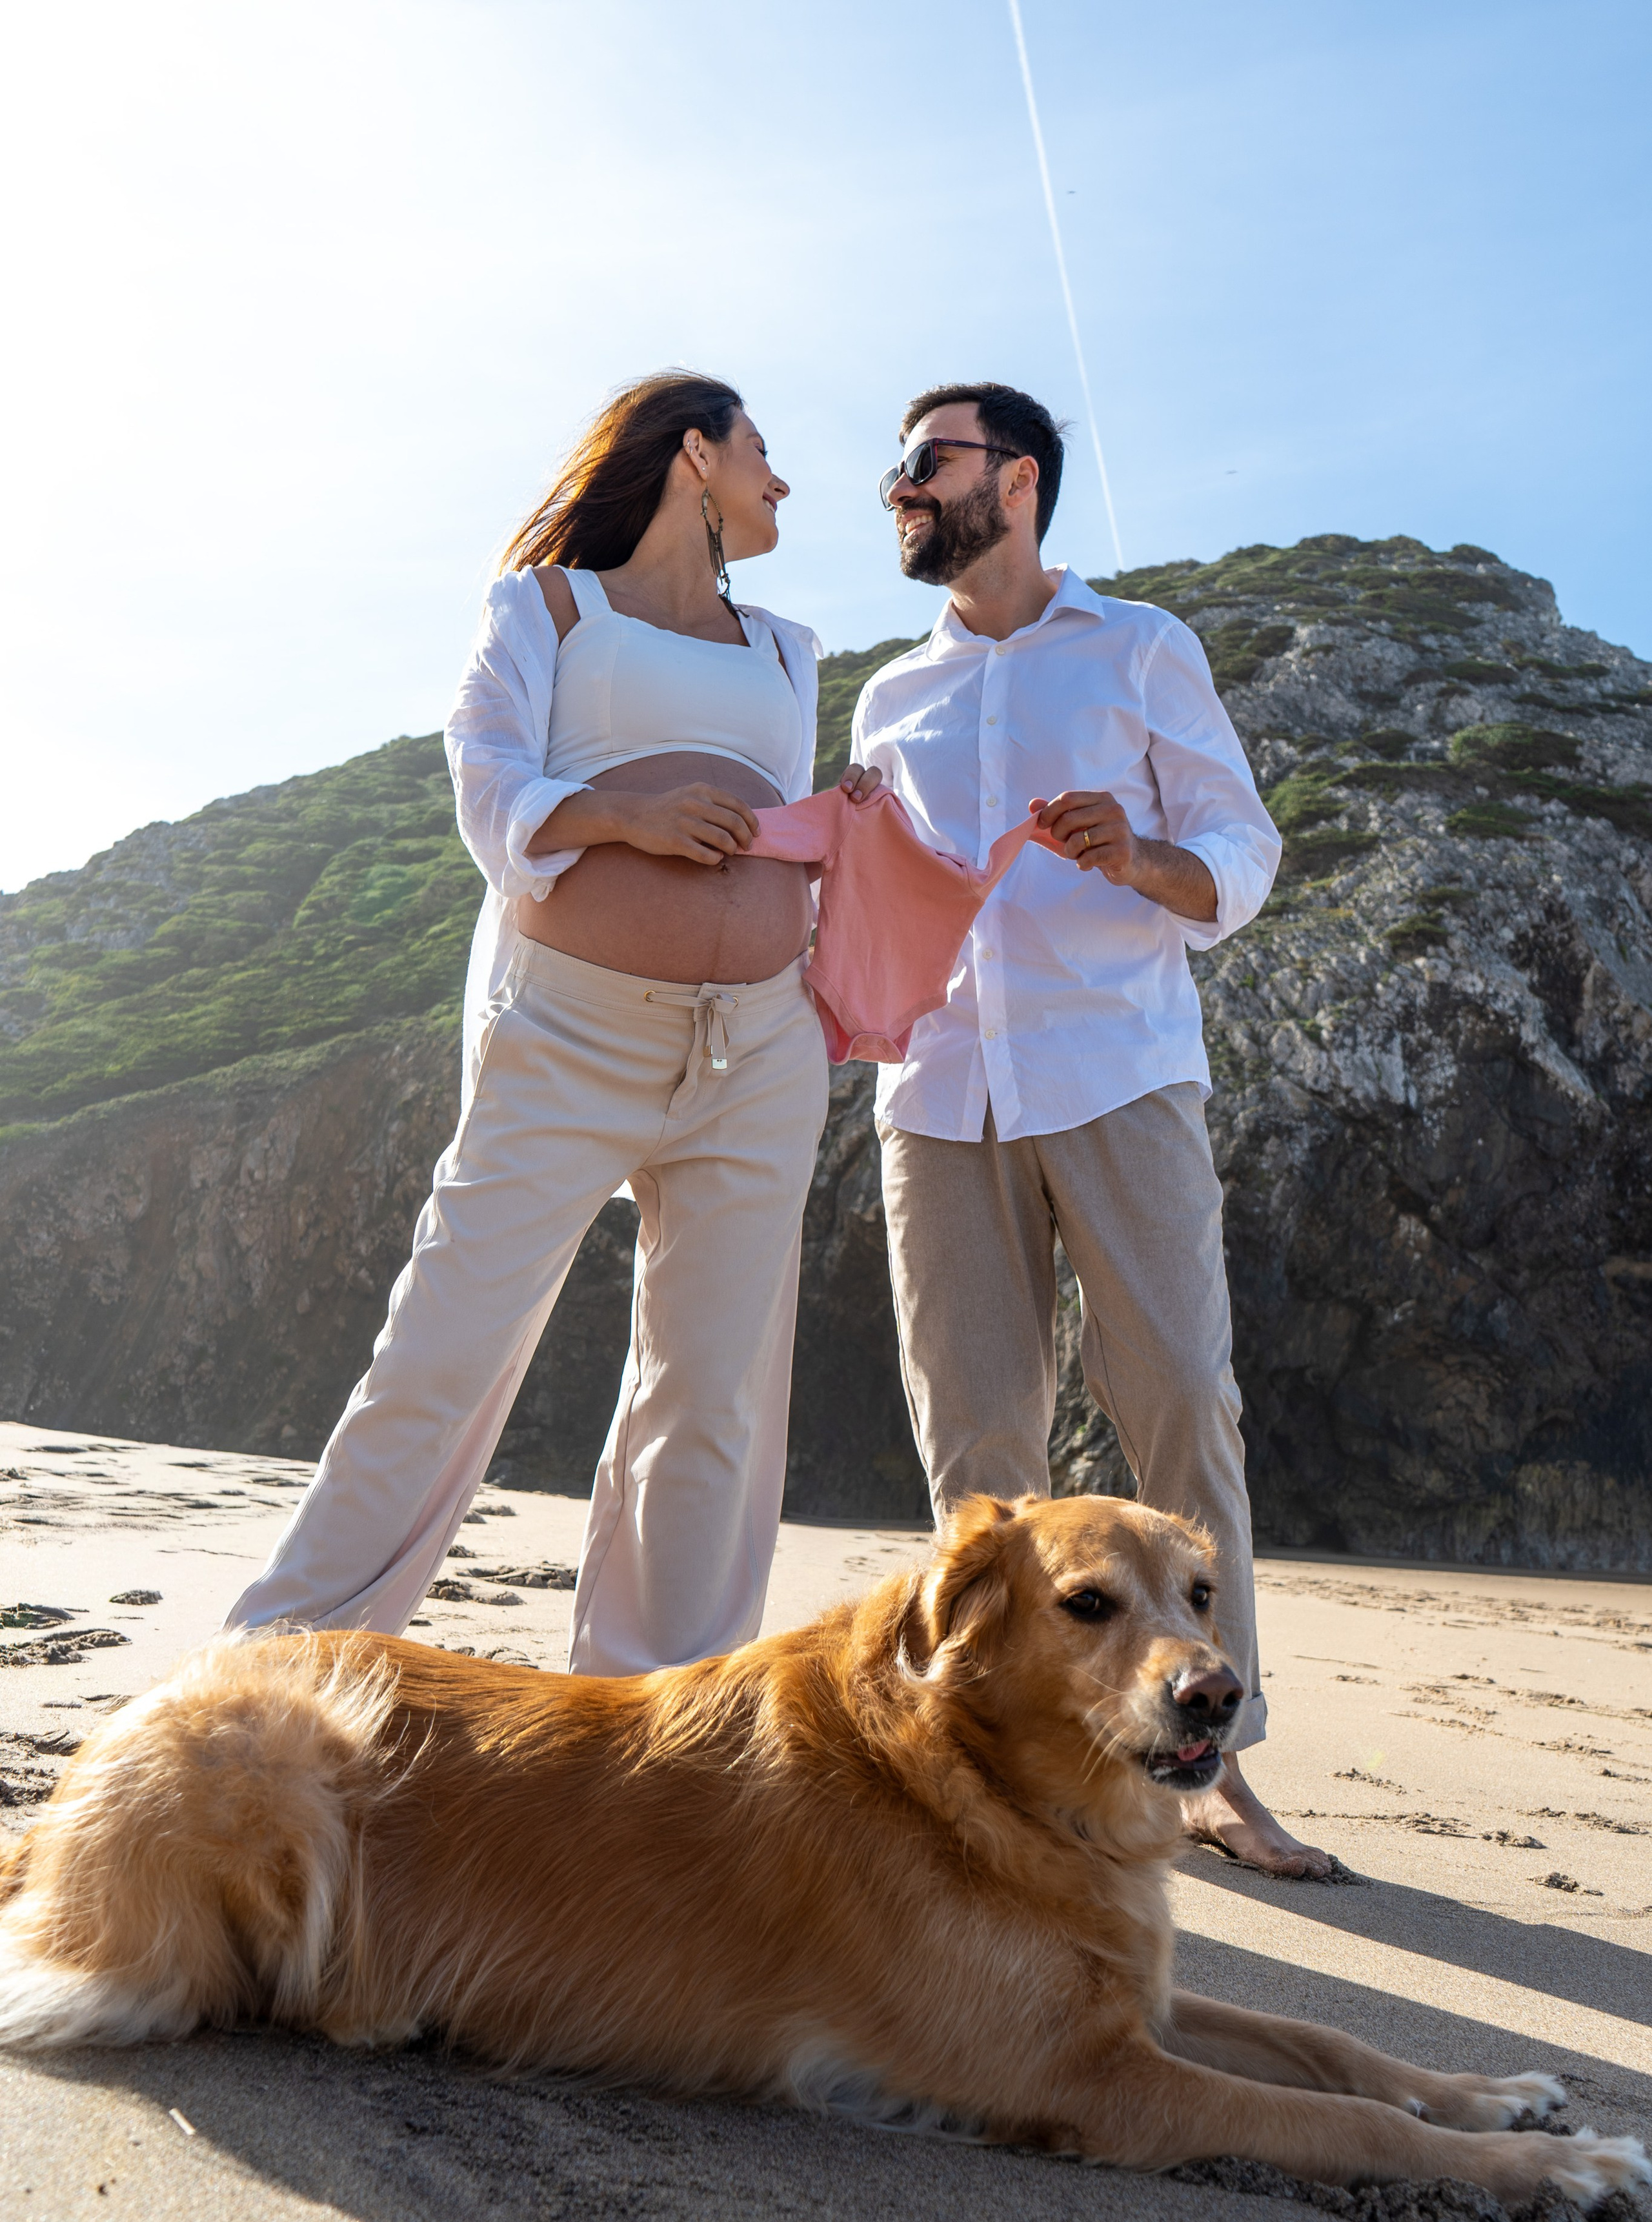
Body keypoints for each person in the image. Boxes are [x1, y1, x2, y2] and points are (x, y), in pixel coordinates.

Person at [227, 370, 880, 1677]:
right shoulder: (546, 605)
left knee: (709, 1398)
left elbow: (765, 816)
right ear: (693, 452)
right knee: (443, 1351)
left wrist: (841, 827)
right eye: (762, 450)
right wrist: (622, 818)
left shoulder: (790, 649)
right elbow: (485, 771)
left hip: (758, 1045)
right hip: (568, 1030)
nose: (784, 480)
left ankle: (656, 1722)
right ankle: (267, 1679)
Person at [852, 381, 1331, 1879]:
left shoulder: (1140, 648)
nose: (900, 488)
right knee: (977, 1451)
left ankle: (1217, 1768)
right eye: (898, 468)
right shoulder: (886, 698)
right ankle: (994, 1764)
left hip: (1118, 1071)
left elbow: (1244, 852)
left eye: (926, 463)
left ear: (1020, 478)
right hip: (935, 1097)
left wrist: (1143, 857)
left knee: (1181, 1402)